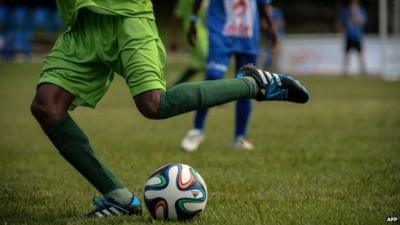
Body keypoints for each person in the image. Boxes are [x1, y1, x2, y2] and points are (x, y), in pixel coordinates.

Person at [30, 0, 309, 218]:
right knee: (47, 106)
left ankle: (256, 84)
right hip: (81, 25)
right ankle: (119, 198)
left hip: (128, 15)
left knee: (153, 104)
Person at [181, 0, 278, 151]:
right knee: (212, 77)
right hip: (220, 30)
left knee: (247, 85)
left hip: (247, 35)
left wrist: (271, 28)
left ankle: (239, 137)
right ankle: (197, 130)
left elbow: (263, 5)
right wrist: (193, 20)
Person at [169, 0, 208, 86]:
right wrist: (173, 38)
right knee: (205, 60)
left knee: (201, 64)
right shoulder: (184, 2)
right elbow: (177, 16)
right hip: (193, 32)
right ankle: (176, 86)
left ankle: (175, 86)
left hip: (206, 33)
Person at [337, 0, 367, 75]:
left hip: (357, 37)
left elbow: (362, 22)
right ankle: (344, 71)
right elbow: (339, 21)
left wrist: (356, 14)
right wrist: (341, 31)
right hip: (349, 37)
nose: (353, 6)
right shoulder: (346, 13)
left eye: (355, 5)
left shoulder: (361, 12)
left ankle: (363, 70)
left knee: (360, 54)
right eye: (352, 5)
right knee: (346, 55)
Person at [262, 6, 284, 71]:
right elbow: (263, 24)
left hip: (277, 36)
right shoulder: (265, 13)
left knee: (275, 53)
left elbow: (281, 23)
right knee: (269, 54)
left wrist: (270, 25)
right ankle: (269, 68)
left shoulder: (276, 12)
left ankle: (275, 69)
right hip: (268, 37)